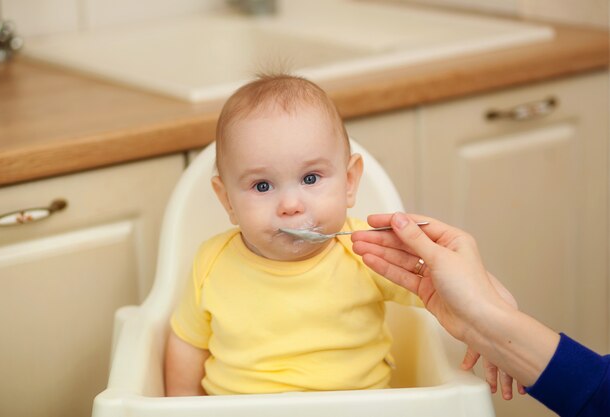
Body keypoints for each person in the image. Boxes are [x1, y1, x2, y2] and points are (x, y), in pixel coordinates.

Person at [163, 74, 424, 396]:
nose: (290, 205)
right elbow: (187, 343)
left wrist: (430, 259)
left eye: (311, 178)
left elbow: (441, 294)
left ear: (350, 181)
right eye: (262, 186)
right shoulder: (211, 263)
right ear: (227, 200)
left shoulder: (368, 249)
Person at [351, 212, 610, 417]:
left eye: (312, 179)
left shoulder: (360, 250)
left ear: (350, 181)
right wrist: (492, 322)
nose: (306, 204)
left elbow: (445, 285)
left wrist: (494, 311)